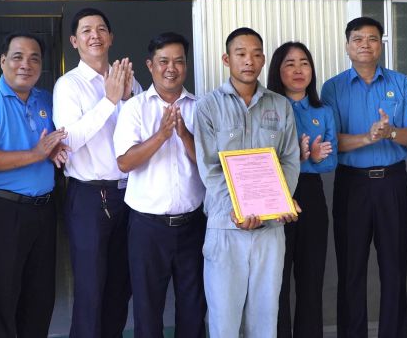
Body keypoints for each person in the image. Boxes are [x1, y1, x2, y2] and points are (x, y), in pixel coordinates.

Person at [0, 32, 68, 338]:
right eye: (18, 57)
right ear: (2, 60)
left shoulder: (45, 99)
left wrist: (54, 150)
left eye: (34, 58)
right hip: (3, 209)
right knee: (2, 295)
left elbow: (56, 143)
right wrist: (36, 153)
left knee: (40, 294)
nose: (26, 64)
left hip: (44, 209)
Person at [194, 27, 301, 338]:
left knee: (265, 319)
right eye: (241, 54)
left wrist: (280, 201)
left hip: (271, 229)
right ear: (227, 59)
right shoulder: (208, 107)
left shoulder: (280, 106)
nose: (249, 61)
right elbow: (210, 168)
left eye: (256, 54)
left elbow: (290, 160)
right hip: (226, 227)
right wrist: (237, 210)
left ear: (264, 59)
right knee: (224, 320)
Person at [320, 17, 407, 338]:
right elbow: (332, 140)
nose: (365, 44)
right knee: (351, 270)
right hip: (351, 185)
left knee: (394, 269)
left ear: (382, 44)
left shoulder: (400, 83)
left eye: (373, 38)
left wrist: (391, 132)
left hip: (393, 183)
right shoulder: (333, 87)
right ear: (347, 45)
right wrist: (370, 137)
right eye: (358, 39)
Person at [53, 8, 141, 338]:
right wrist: (109, 101)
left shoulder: (128, 80)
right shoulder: (69, 85)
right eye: (87, 30)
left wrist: (130, 96)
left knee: (121, 287)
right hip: (89, 197)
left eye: (102, 29)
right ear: (75, 41)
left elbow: (144, 133)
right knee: (90, 290)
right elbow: (70, 139)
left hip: (128, 195)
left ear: (111, 38)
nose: (95, 35)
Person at [113, 32, 206, 338]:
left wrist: (183, 135)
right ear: (150, 65)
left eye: (179, 61)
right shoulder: (134, 108)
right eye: (164, 61)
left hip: (193, 224)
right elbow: (125, 162)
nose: (172, 68)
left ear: (186, 66)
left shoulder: (200, 107)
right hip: (147, 228)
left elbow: (210, 165)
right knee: (147, 309)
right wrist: (162, 136)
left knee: (193, 307)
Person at [268, 41, 337, 338]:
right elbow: (256, 157)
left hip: (310, 193)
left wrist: (316, 159)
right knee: (276, 281)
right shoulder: (266, 108)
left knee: (311, 279)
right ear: (277, 71)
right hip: (274, 194)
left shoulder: (324, 111)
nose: (298, 70)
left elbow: (331, 160)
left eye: (304, 63)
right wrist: (294, 158)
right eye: (290, 63)